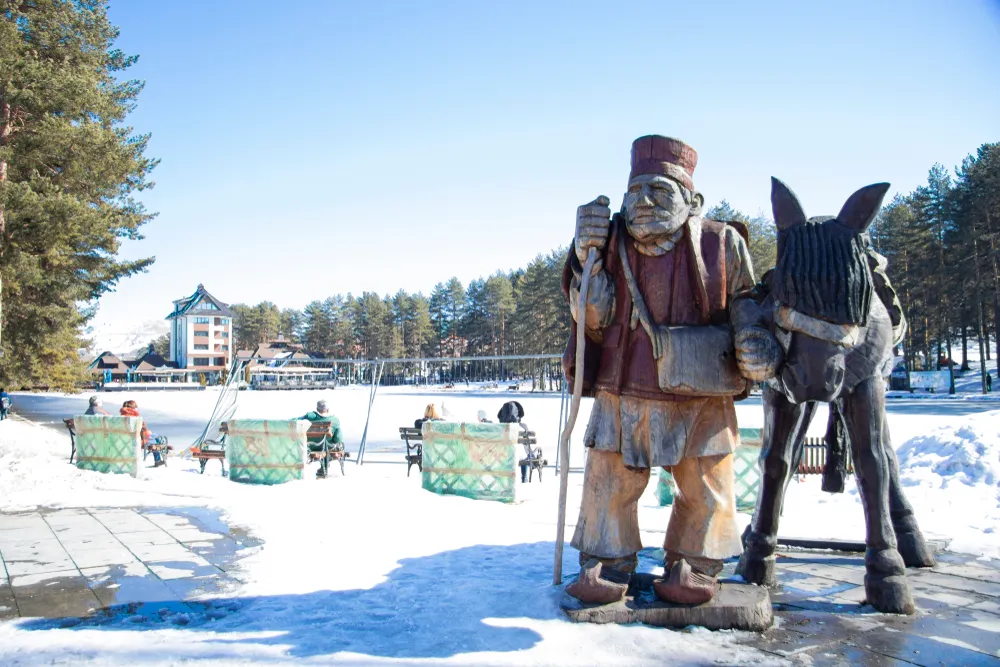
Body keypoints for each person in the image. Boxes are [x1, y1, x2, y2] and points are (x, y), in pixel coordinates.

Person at [562, 135, 779, 605]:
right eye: (635, 191)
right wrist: (586, 255)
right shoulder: (609, 241)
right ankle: (606, 557)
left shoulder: (723, 243)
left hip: (700, 388)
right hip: (622, 386)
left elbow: (746, 300)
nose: (643, 203)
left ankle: (696, 561)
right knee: (610, 478)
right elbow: (589, 314)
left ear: (692, 201)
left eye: (659, 191)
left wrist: (753, 336)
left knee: (704, 480)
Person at [298, 399, 343, 478]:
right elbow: (338, 438)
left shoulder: (308, 417)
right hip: (327, 447)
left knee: (325, 445)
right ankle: (324, 468)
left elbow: (296, 421)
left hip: (310, 446)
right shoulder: (334, 420)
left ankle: (322, 469)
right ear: (328, 409)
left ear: (317, 409)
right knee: (332, 445)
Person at [119, 400, 164, 467]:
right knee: (156, 438)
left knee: (155, 437)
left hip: (125, 439)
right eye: (135, 407)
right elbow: (144, 430)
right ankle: (158, 460)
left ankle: (158, 458)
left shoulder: (121, 418)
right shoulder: (135, 418)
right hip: (139, 440)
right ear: (133, 408)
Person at [497, 401, 533, 482]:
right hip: (518, 455)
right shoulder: (522, 426)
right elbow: (527, 443)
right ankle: (524, 477)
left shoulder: (499, 427)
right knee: (524, 452)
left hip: (501, 455)